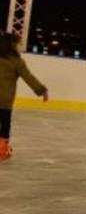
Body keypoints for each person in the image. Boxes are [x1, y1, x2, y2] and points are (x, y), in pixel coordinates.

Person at [0, 33, 48, 161]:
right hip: (5, 100)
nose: (19, 46)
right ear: (12, 45)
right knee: (4, 125)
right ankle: (2, 150)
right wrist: (42, 90)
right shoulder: (16, 61)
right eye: (18, 43)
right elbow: (29, 78)